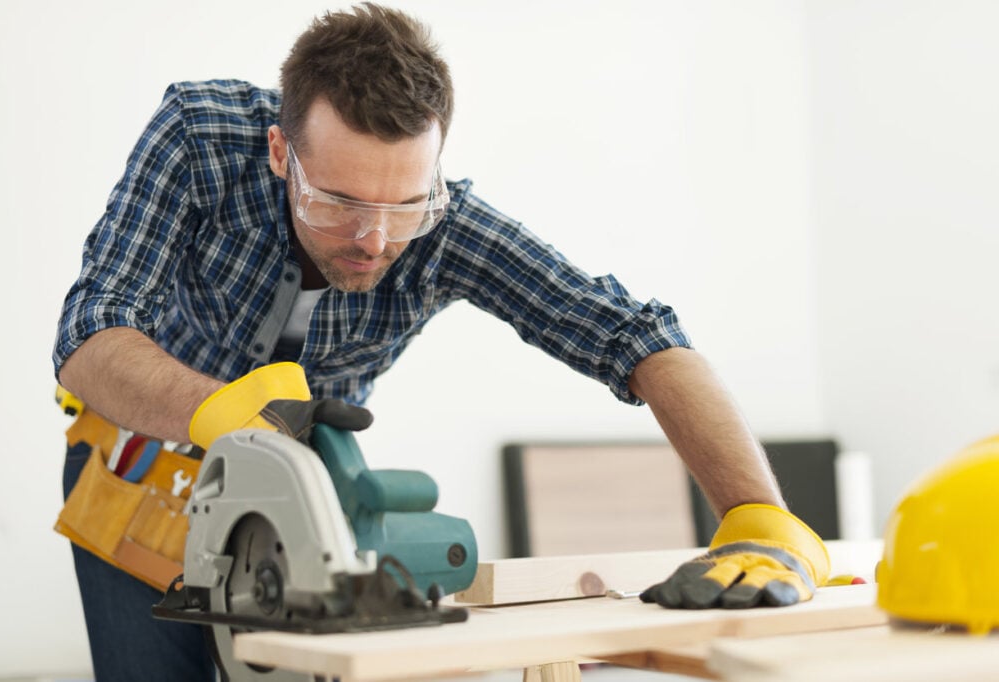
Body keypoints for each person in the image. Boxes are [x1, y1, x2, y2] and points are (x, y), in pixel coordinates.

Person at [54, 4, 829, 681]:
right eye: (340, 202)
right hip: (139, 457)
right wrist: (212, 408)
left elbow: (636, 335)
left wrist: (758, 515)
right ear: (280, 153)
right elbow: (90, 329)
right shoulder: (199, 136)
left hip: (298, 499)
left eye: (406, 205)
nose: (374, 238)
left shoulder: (449, 225)